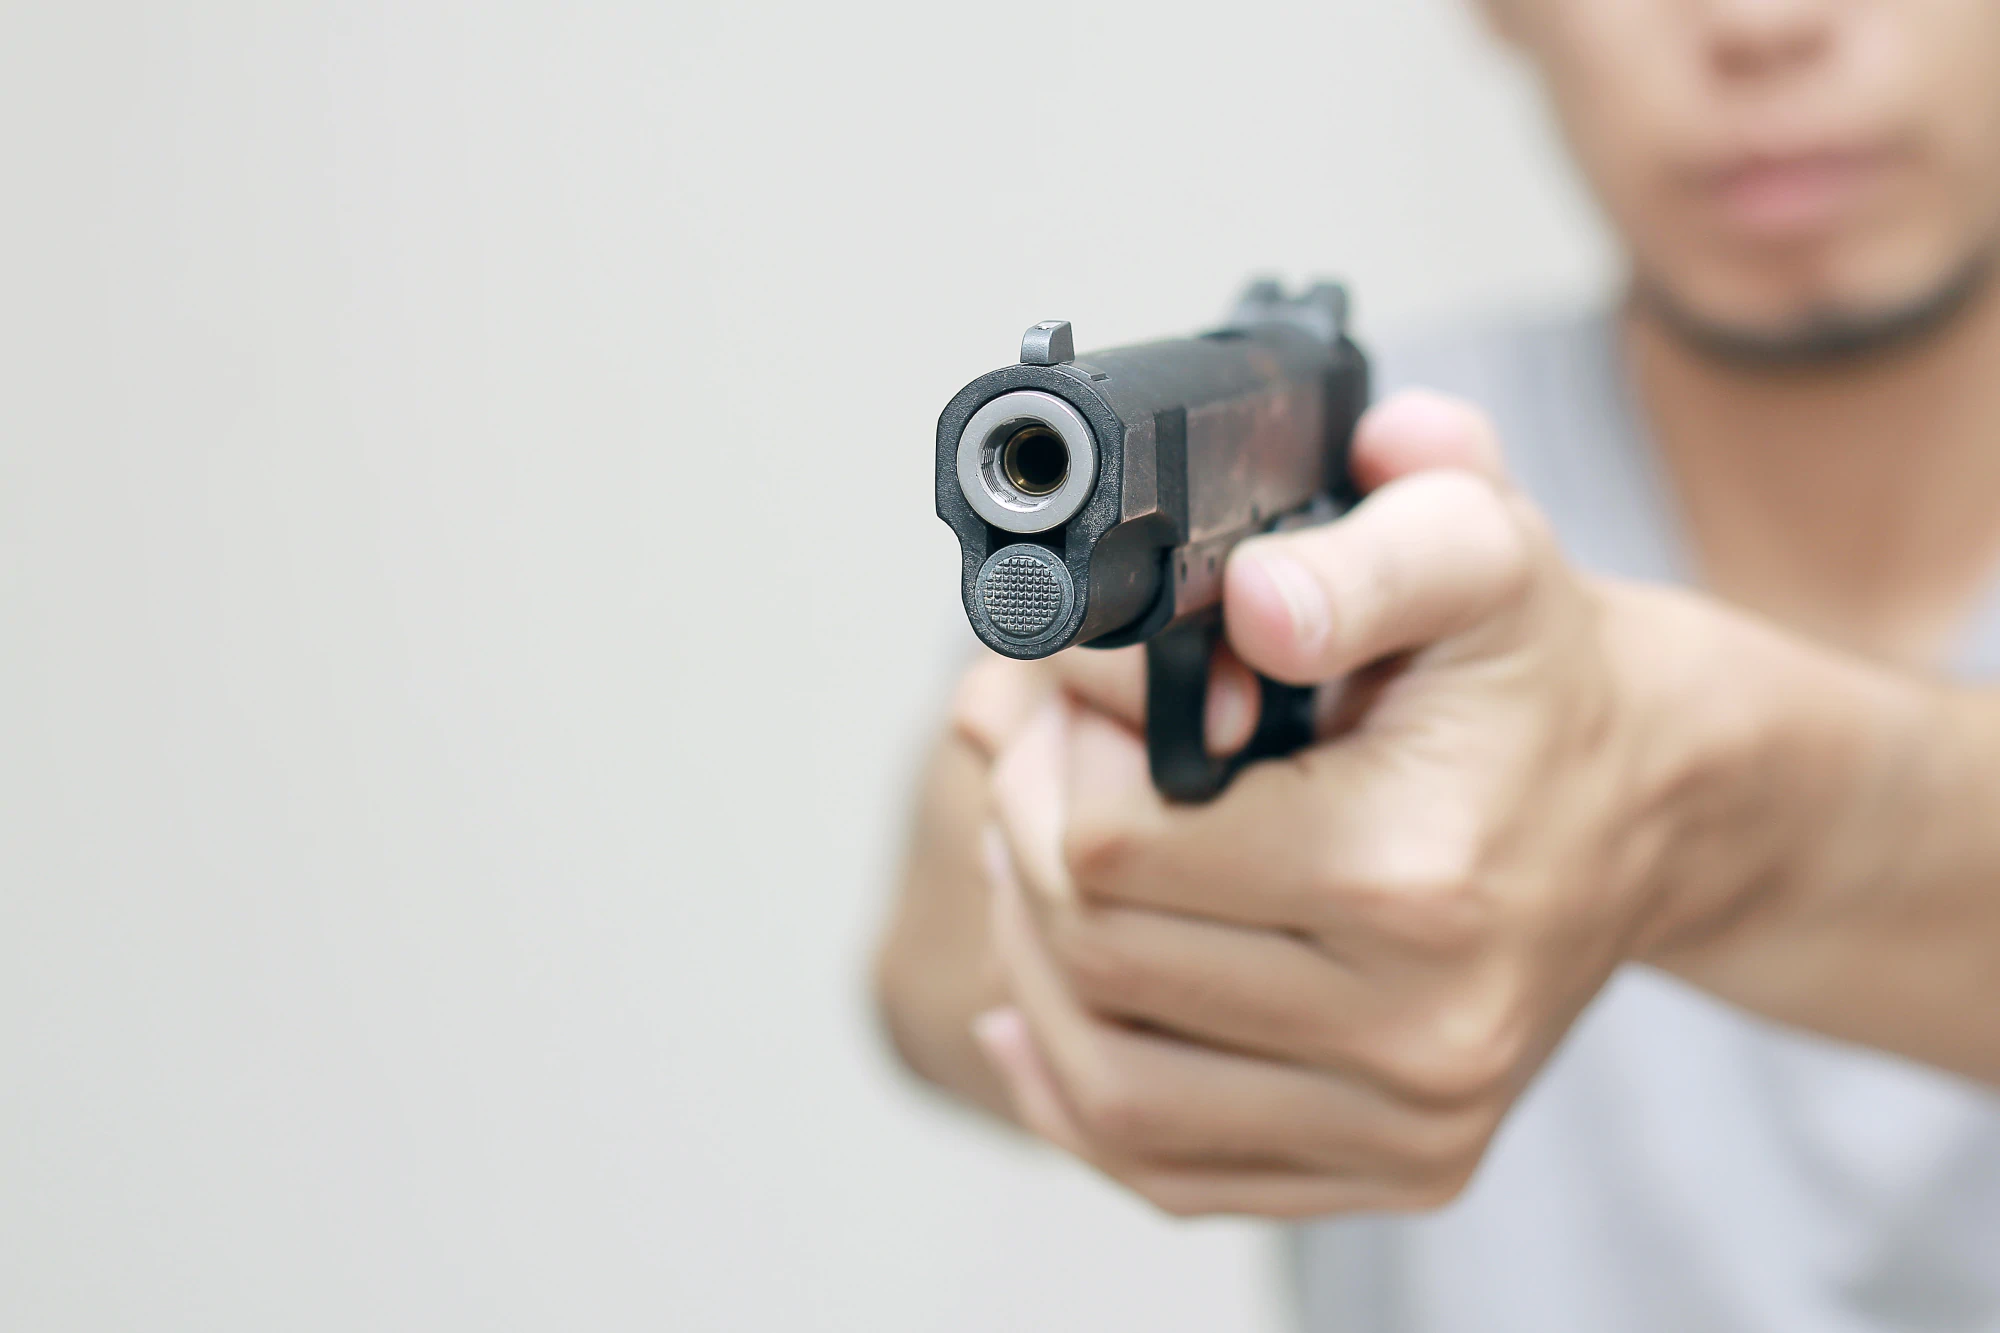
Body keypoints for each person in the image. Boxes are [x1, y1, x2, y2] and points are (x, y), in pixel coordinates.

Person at [872, 0, 2000, 1326]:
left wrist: (1691, 802)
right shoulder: (1364, 449)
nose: (1762, 22)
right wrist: (1079, 857)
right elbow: (934, 978)